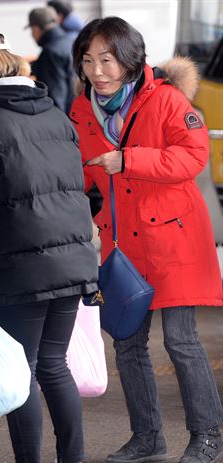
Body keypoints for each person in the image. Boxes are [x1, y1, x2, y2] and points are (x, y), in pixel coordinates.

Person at [0, 27, 98, 463]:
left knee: (20, 372)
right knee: (54, 365)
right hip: (72, 263)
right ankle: (74, 458)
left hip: (17, 269)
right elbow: (80, 190)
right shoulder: (55, 115)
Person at [70, 17, 223, 463]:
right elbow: (78, 170)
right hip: (121, 243)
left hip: (174, 238)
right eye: (88, 61)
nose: (97, 71)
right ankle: (147, 437)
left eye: (108, 60)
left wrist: (129, 159)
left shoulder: (169, 100)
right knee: (128, 342)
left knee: (181, 341)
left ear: (131, 60)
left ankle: (207, 437)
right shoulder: (81, 110)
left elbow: (193, 156)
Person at [27, 6, 75, 113]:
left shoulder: (50, 53)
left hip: (65, 120)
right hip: (79, 115)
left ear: (36, 29)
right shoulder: (71, 42)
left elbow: (55, 99)